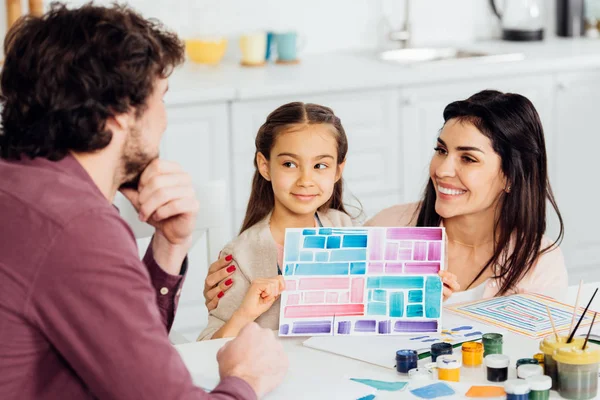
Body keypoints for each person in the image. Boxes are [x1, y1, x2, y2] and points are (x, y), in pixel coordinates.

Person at [0, 4, 286, 399]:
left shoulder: (21, 187)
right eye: (161, 99)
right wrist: (246, 378)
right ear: (120, 112)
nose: (164, 120)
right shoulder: (77, 227)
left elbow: (126, 355)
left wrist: (169, 244)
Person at [367, 90, 567, 302]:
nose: (442, 170)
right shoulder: (385, 229)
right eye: (441, 150)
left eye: (468, 159)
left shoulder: (539, 264)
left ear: (510, 177)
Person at [198, 102, 355, 341]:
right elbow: (206, 347)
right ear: (265, 166)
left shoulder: (346, 227)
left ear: (337, 170)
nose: (306, 179)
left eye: (320, 165)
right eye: (289, 164)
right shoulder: (242, 255)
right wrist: (244, 314)